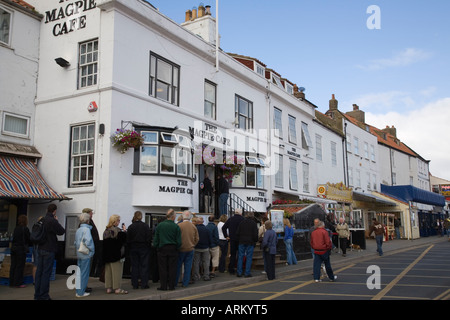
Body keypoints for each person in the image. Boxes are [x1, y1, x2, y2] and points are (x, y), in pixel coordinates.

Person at [34, 204, 65, 300]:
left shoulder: (42, 220)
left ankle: (37, 295)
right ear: (54, 211)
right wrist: (57, 221)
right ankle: (44, 295)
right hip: (49, 248)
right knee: (46, 273)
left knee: (39, 272)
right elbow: (61, 231)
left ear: (47, 210)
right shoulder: (52, 221)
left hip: (40, 248)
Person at [153, 209, 181, 291]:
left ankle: (163, 286)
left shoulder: (160, 225)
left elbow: (156, 238)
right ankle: (171, 286)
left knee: (162, 268)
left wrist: (157, 246)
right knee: (172, 268)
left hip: (162, 248)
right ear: (173, 217)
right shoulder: (176, 226)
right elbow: (179, 241)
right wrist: (177, 247)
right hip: (173, 248)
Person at [102, 214, 128, 294]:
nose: (119, 222)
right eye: (118, 220)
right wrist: (124, 230)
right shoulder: (118, 231)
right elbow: (123, 241)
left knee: (108, 272)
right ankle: (117, 288)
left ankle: (108, 288)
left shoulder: (106, 231)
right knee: (117, 272)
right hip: (116, 255)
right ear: (115, 221)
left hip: (107, 255)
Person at [127, 211, 151, 289]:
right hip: (143, 247)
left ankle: (135, 284)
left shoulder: (131, 227)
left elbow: (128, 239)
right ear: (141, 217)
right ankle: (144, 284)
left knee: (134, 266)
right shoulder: (145, 226)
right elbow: (149, 238)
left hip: (133, 247)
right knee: (144, 266)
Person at [74, 212, 95, 298]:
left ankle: (78, 291)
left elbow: (75, 242)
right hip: (86, 254)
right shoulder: (86, 230)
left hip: (79, 253)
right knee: (84, 273)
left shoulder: (78, 229)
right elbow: (89, 241)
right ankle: (81, 292)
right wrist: (92, 251)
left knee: (79, 273)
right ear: (87, 220)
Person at [176, 210, 199, 288]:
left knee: (178, 267)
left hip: (180, 249)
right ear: (190, 217)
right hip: (190, 249)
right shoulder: (193, 226)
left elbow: (176, 238)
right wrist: (193, 245)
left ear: (183, 216)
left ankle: (175, 282)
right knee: (188, 267)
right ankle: (185, 283)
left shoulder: (179, 226)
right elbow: (197, 239)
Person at [10, 215, 31, 288]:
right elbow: (29, 239)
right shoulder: (25, 229)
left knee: (13, 265)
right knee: (20, 266)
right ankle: (18, 283)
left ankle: (12, 282)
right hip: (21, 249)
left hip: (13, 248)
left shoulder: (16, 228)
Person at [221, 208, 244, 275]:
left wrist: (226, 236)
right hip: (240, 239)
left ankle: (231, 269)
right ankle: (240, 268)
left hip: (232, 239)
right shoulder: (242, 219)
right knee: (240, 254)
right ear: (240, 213)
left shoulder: (231, 219)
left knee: (233, 254)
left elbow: (223, 228)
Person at [236, 211, 258, 278]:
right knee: (249, 257)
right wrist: (255, 241)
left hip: (241, 241)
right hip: (250, 242)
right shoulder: (254, 224)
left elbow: (237, 233)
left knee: (240, 257)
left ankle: (239, 272)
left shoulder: (241, 223)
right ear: (252, 216)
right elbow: (255, 234)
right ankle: (247, 273)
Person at [81, 208, 101, 279]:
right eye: (91, 212)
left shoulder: (89, 222)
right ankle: (83, 286)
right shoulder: (86, 224)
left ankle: (85, 283)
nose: (92, 214)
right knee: (86, 267)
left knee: (88, 266)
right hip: (89, 248)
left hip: (92, 246)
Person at [193, 216, 213, 281]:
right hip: (205, 248)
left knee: (196, 262)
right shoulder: (207, 229)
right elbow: (210, 239)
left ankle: (196, 276)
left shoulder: (195, 229)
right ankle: (206, 276)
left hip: (197, 247)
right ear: (203, 222)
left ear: (197, 222)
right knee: (206, 262)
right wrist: (209, 245)